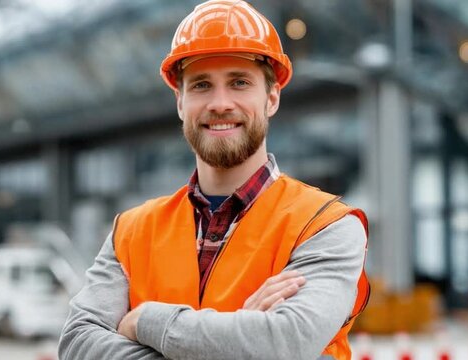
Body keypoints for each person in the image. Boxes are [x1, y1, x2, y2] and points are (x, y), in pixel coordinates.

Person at [58, 1, 369, 359]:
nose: (220, 103)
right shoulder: (131, 232)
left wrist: (145, 321)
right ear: (180, 102)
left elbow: (286, 341)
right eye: (202, 85)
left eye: (239, 82)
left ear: (271, 97)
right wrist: (239, 341)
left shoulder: (325, 227)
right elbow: (77, 344)